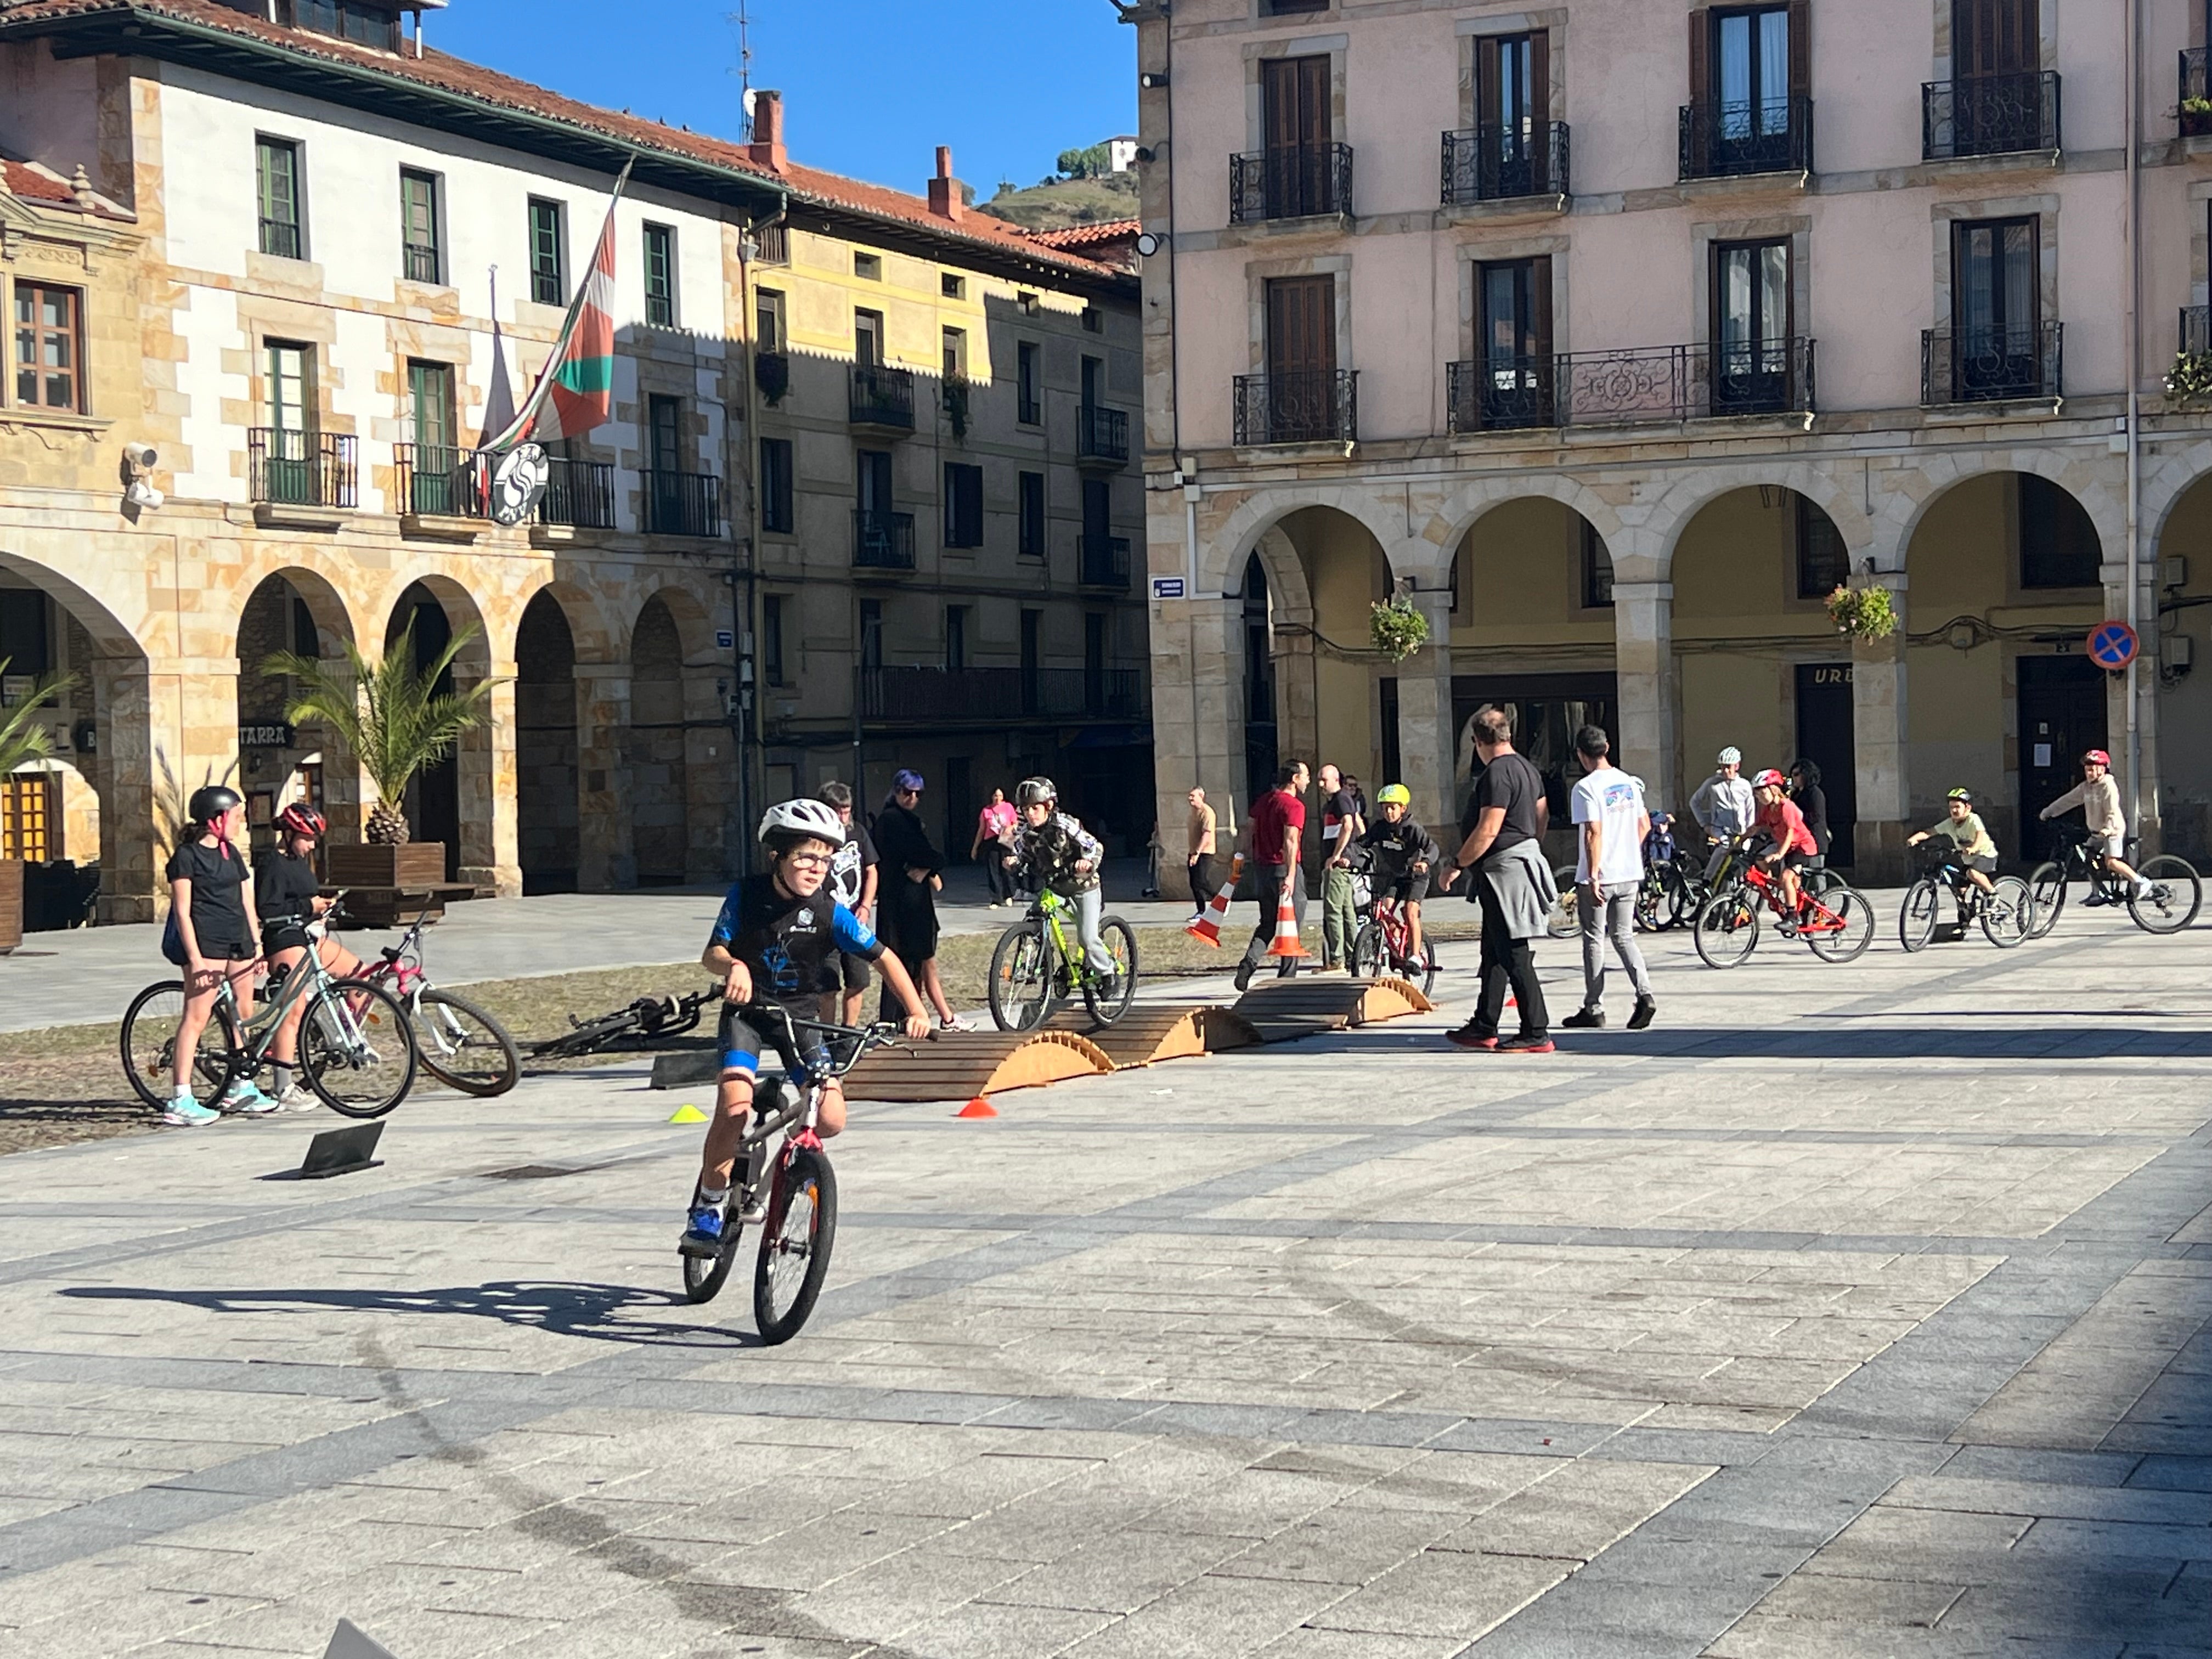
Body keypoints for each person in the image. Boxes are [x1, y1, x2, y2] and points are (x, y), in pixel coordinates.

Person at [681, 799, 932, 1254]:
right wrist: (733, 965)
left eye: (825, 859)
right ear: (777, 855)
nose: (817, 868)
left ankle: (784, 1167)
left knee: (831, 1118)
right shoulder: (746, 895)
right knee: (735, 1106)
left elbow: (885, 958)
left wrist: (916, 1011)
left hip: (799, 1018)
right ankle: (710, 1203)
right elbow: (710, 954)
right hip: (749, 1014)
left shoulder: (829, 911)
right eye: (806, 857)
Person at [161, 785, 280, 1124]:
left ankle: (240, 1088)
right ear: (217, 819)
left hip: (238, 941)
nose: (241, 823)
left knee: (242, 1015)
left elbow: (247, 901)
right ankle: (180, 1098)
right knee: (196, 1017)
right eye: (237, 817)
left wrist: (257, 946)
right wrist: (196, 960)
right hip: (207, 943)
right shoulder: (187, 856)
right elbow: (182, 912)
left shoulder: (232, 853)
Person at [1447, 706, 1556, 1053]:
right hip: (1517, 862)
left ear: (1478, 741)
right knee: (1493, 950)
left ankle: (1536, 1030)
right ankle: (1485, 1024)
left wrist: (1457, 863)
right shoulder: (1528, 769)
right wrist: (1531, 847)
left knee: (1513, 952)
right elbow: (1543, 815)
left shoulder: (1497, 773)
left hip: (1503, 871)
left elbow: (1489, 828)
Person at [252, 802, 368, 1111]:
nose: (312, 845)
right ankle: (283, 1087)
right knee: (294, 1009)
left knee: (361, 976)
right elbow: (269, 909)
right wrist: (308, 908)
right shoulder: (272, 863)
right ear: (289, 834)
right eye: (307, 838)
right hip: (284, 938)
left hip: (309, 934)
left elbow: (303, 897)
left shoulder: (298, 859)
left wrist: (322, 905)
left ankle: (340, 1036)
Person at [1561, 727, 1657, 1032]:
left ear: (1580, 754)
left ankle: (1594, 1006)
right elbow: (1644, 824)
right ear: (1607, 747)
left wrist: (1593, 874)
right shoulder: (1628, 782)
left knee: (1593, 939)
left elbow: (1593, 831)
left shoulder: (1585, 787)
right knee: (1624, 936)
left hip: (1601, 876)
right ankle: (1645, 994)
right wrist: (1628, 850)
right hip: (1629, 873)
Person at [872, 769, 967, 1030]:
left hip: (909, 902)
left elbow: (926, 858)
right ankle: (897, 1020)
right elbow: (925, 854)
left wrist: (927, 868)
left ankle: (906, 1019)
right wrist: (932, 864)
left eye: (918, 794)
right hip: (902, 904)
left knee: (911, 964)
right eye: (906, 792)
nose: (912, 797)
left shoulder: (902, 819)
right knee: (901, 964)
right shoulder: (893, 820)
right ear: (896, 791)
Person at [1009, 777, 1118, 991]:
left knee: (1087, 937)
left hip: (1083, 886)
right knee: (1035, 916)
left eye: (1035, 808)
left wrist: (1087, 862)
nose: (1030, 814)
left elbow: (1095, 846)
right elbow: (1022, 852)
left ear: (1048, 806)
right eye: (1026, 809)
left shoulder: (1065, 824)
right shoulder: (1026, 832)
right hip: (1056, 887)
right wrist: (1015, 861)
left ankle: (1108, 973)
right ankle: (1041, 962)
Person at [1356, 783, 1453, 968]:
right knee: (1384, 910)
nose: (1388, 812)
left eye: (1393, 808)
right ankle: (1394, 938)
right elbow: (1361, 844)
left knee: (1410, 912)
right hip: (1395, 876)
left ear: (1403, 808)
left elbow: (1432, 848)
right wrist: (1346, 859)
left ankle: (1415, 955)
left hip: (1416, 877)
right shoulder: (1381, 828)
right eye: (1385, 808)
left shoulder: (1412, 829)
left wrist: (1424, 862)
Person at [1234, 760, 1310, 992]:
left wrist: (1243, 857)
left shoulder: (1264, 801)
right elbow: (1290, 841)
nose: (1308, 780)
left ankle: (1248, 964)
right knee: (1291, 924)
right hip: (1282, 868)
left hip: (1262, 868)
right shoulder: (1294, 806)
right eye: (1306, 775)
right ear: (1295, 779)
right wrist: (1290, 875)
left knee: (1267, 923)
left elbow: (1249, 829)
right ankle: (1286, 980)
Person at [2038, 749, 2145, 905]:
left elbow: (2112, 810)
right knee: (2088, 858)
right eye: (2087, 769)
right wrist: (2048, 812)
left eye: (2093, 769)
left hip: (2112, 831)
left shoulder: (2108, 786)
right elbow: (2068, 800)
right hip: (2096, 833)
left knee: (2112, 862)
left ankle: (2141, 882)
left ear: (2102, 769)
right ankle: (2097, 893)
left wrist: (2108, 828)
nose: (2089, 772)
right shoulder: (2085, 788)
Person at [819, 782, 879, 1029]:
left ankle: (849, 1032)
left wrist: (865, 906)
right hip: (826, 922)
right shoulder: (817, 838)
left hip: (855, 919)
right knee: (827, 985)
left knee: (858, 980)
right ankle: (827, 1034)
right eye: (838, 811)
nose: (844, 816)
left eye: (847, 810)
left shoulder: (858, 833)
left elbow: (872, 870)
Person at [1748, 767, 1821, 925]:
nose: (1758, 795)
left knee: (1787, 878)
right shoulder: (1767, 809)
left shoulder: (1786, 806)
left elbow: (1790, 833)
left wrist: (1780, 854)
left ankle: (1792, 917)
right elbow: (1755, 827)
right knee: (1761, 860)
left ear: (1774, 789)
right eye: (1756, 792)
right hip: (1786, 846)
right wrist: (1738, 842)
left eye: (1762, 791)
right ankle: (1775, 891)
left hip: (1802, 847)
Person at [1317, 763, 1365, 971]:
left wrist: (1336, 855)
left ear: (1336, 780)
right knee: (1347, 911)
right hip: (1343, 861)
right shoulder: (1335, 801)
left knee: (1333, 910)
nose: (1320, 784)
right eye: (1319, 779)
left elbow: (1349, 825)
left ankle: (1337, 959)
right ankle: (1352, 955)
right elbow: (1358, 827)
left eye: (1324, 780)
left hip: (1338, 863)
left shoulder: (1341, 799)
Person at [1908, 787, 1999, 898]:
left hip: (1985, 855)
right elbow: (1930, 832)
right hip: (1967, 859)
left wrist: (1974, 848)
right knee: (1959, 889)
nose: (1954, 810)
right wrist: (1915, 838)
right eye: (1951, 807)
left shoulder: (1973, 819)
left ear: (1968, 808)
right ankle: (1966, 912)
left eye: (1957, 807)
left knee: (1973, 874)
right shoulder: (1949, 823)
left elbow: (1980, 833)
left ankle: (1993, 894)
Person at [1690, 747, 1756, 879]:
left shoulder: (1745, 785)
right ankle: (1707, 880)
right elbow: (1694, 802)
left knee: (1743, 860)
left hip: (1741, 831)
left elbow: (1750, 810)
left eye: (1729, 767)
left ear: (1737, 766)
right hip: (1720, 829)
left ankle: (1740, 888)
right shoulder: (1712, 784)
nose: (1726, 770)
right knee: (1724, 847)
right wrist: (1704, 824)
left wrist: (1750, 830)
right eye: (1723, 767)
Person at [969, 787, 1019, 908]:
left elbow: (1016, 822)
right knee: (993, 870)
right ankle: (995, 899)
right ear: (992, 797)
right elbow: (982, 829)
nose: (998, 798)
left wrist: (1010, 828)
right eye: (996, 796)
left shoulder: (1008, 807)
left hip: (1005, 840)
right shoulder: (986, 811)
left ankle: (1009, 895)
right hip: (991, 841)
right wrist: (975, 847)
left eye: (1000, 796)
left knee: (1006, 868)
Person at [1786, 758, 1831, 860]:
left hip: (1814, 838)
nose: (1794, 778)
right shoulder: (1796, 794)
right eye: (1792, 775)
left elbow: (1816, 815)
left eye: (1797, 774)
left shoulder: (1815, 793)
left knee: (1816, 872)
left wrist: (1797, 818)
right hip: (1800, 839)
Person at [1186, 786, 1219, 918]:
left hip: (1205, 852)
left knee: (1201, 881)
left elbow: (1207, 834)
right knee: (1194, 883)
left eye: (1193, 796)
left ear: (1201, 796)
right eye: (1189, 796)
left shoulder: (1207, 813)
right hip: (1193, 851)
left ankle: (1220, 900)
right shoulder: (1193, 812)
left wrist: (1197, 853)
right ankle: (1201, 911)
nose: (1190, 799)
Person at [1142, 818, 1163, 899]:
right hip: (1154, 854)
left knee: (1159, 872)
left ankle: (1159, 888)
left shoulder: (1161, 835)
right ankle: (1156, 888)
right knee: (1155, 871)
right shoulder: (1154, 834)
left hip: (1159, 854)